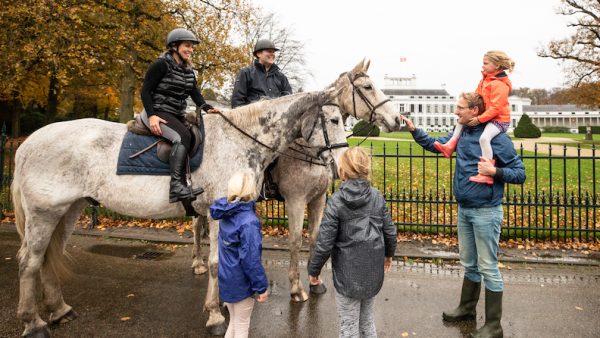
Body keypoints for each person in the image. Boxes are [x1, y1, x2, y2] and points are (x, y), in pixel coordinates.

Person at [401, 92, 526, 338]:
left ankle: (494, 325)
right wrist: (415, 131)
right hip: (465, 209)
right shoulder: (463, 132)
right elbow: (437, 145)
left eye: (459, 108)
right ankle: (467, 309)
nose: (455, 112)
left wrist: (494, 171)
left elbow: (519, 173)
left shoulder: (496, 138)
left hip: (486, 211)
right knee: (469, 264)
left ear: (475, 111)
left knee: (488, 267)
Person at [307, 147, 397, 338]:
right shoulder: (376, 197)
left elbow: (324, 242)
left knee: (348, 326)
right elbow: (389, 231)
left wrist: (314, 271)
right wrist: (389, 255)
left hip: (347, 276)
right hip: (372, 271)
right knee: (367, 321)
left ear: (342, 172)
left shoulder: (336, 201)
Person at [140, 28, 221, 203]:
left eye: (192, 47)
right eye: (187, 46)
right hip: (157, 111)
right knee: (181, 136)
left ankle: (185, 182)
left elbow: (195, 94)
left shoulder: (188, 71)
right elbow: (145, 91)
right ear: (174, 46)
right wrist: (152, 116)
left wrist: (207, 108)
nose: (190, 50)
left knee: (192, 134)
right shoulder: (160, 65)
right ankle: (176, 186)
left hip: (175, 113)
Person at [434, 50, 515, 185]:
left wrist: (479, 119)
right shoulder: (485, 80)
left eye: (485, 63)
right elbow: (477, 97)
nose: (482, 66)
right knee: (462, 120)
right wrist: (468, 104)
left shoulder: (500, 85)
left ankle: (485, 173)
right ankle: (449, 146)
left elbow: (496, 109)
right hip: (486, 116)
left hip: (499, 120)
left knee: (484, 138)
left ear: (496, 65)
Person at [209, 170, 268, 338]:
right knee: (241, 326)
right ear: (252, 190)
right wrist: (261, 287)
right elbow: (250, 259)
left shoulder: (227, 213)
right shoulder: (249, 221)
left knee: (235, 323)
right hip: (242, 284)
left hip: (227, 280)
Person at [231, 38, 292, 108]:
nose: (272, 54)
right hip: (252, 117)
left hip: (277, 118)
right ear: (258, 54)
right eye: (269, 51)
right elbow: (237, 101)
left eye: (273, 52)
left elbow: (288, 101)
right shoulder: (246, 73)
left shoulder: (281, 77)